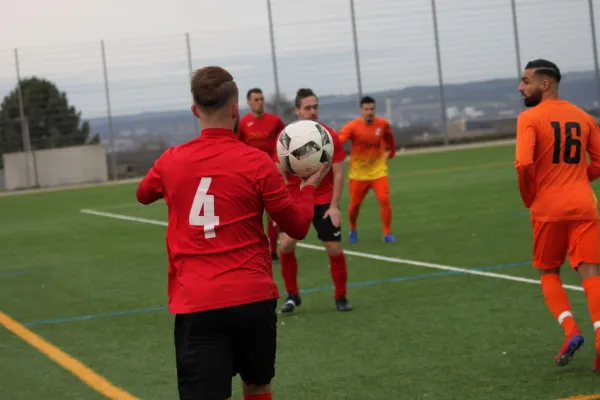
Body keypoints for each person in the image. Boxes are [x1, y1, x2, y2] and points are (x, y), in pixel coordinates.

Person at [135, 66, 330, 400]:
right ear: (236, 109)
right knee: (257, 386)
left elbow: (143, 194)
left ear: (195, 110)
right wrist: (306, 187)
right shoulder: (258, 163)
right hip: (252, 298)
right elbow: (297, 226)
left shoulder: (171, 160)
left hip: (198, 301)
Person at [515, 58, 600, 372]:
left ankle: (571, 331)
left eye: (526, 81)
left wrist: (530, 195)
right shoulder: (583, 117)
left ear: (544, 83)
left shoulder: (530, 118)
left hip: (548, 208)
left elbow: (524, 164)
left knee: (549, 272)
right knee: (591, 274)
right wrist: (576, 179)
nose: (521, 87)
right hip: (584, 206)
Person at [275, 88, 353, 314]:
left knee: (334, 249)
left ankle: (341, 297)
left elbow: (338, 173)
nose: (313, 111)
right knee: (287, 245)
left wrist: (334, 206)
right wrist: (281, 205)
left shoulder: (328, 136)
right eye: (308, 107)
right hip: (295, 200)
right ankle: (292, 296)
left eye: (316, 106)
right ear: (297, 110)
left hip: (324, 200)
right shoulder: (286, 139)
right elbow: (279, 173)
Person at [338, 95, 397, 243]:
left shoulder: (382, 124)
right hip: (358, 174)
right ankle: (353, 228)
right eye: (366, 109)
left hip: (378, 171)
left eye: (372, 109)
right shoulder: (352, 126)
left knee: (384, 199)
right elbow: (340, 140)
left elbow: (389, 137)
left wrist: (392, 151)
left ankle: (387, 233)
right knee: (354, 206)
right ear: (361, 110)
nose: (369, 112)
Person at [237, 88, 286, 263]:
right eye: (256, 99)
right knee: (250, 215)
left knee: (273, 215)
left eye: (262, 99)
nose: (260, 102)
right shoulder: (243, 124)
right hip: (250, 177)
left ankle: (272, 252)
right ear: (248, 102)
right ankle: (252, 252)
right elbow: (237, 148)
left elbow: (284, 143)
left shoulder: (275, 121)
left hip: (272, 174)